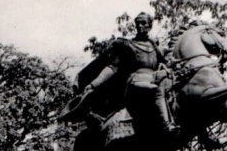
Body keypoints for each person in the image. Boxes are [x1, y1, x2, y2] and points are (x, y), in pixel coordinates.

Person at [60, 12, 179, 141]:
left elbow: (168, 63)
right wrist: (94, 83)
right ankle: (166, 125)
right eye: (138, 23)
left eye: (143, 23)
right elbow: (113, 68)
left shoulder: (155, 47)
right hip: (136, 81)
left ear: (150, 26)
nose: (140, 25)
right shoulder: (128, 45)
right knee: (156, 89)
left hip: (154, 78)